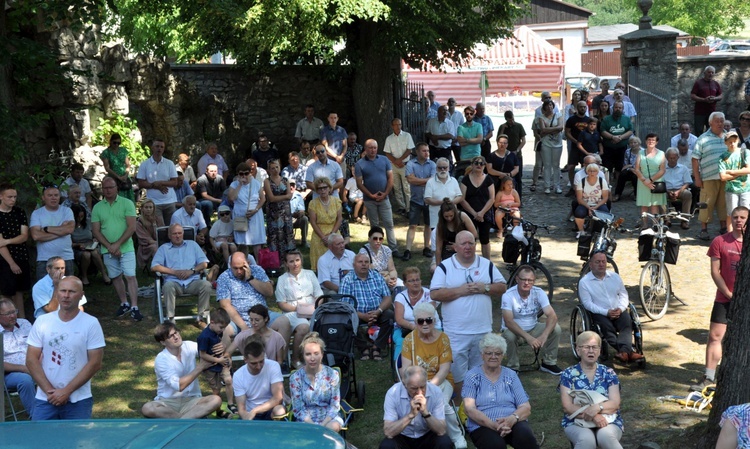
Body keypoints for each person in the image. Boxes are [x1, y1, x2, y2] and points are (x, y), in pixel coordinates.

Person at [431, 230, 506, 402]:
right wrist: (460, 291)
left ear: (475, 245)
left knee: (481, 371)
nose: (467, 247)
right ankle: (461, 409)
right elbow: (435, 294)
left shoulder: (486, 264)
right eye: (463, 243)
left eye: (471, 243)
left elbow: (502, 287)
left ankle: (479, 405)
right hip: (456, 332)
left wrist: (484, 288)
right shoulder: (445, 267)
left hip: (482, 330)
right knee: (458, 374)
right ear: (455, 247)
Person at [26, 276, 105, 420]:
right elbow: (31, 359)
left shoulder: (91, 323)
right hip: (45, 399)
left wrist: (66, 391)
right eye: (63, 291)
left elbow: (95, 363)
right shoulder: (42, 322)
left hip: (79, 399)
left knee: (77, 441)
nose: (66, 295)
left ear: (81, 295)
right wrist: (50, 392)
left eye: (72, 291)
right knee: (39, 441)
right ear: (57, 293)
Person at [691, 206, 748, 391]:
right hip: (724, 297)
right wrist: (729, 294)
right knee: (715, 336)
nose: (739, 220)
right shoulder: (719, 241)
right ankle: (709, 376)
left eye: (743, 217)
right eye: (735, 217)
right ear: (730, 219)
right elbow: (715, 272)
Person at [399, 302, 464, 448]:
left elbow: (444, 370)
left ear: (434, 320)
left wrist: (428, 387)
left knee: (440, 404)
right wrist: (416, 386)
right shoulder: (409, 340)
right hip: (416, 383)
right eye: (420, 321)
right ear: (415, 322)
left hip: (442, 381)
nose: (425, 324)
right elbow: (405, 369)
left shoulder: (443, 339)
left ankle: (456, 436)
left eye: (428, 320)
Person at [462, 333, 540, 449]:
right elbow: (469, 409)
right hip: (483, 425)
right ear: (482, 355)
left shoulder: (511, 375)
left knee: (526, 438)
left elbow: (525, 407)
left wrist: (512, 419)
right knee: (495, 445)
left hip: (512, 422)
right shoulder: (472, 376)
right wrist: (494, 425)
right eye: (489, 353)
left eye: (497, 353)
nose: (493, 356)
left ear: (503, 355)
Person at [141, 322, 222, 419]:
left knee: (216, 400)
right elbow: (179, 386)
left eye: (176, 332)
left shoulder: (188, 346)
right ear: (163, 342)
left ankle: (180, 420)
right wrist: (200, 367)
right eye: (170, 336)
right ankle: (189, 418)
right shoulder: (161, 359)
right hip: (168, 402)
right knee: (148, 408)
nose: (176, 337)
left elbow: (210, 349)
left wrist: (223, 345)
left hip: (192, 400)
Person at [560, 331, 624, 449]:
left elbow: (615, 404)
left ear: (599, 351)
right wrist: (594, 416)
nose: (591, 351)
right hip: (576, 422)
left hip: (608, 421)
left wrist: (597, 408)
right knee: (586, 440)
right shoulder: (568, 374)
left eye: (594, 347)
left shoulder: (609, 373)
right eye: (586, 347)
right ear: (578, 350)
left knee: (606, 436)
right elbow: (568, 407)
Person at [579, 252, 644, 363]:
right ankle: (628, 352)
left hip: (617, 309)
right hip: (599, 312)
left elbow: (624, 294)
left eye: (603, 261)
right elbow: (587, 304)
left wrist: (621, 308)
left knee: (627, 323)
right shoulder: (584, 282)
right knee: (607, 328)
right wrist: (606, 312)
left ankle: (623, 352)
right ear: (590, 264)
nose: (601, 264)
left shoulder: (614, 277)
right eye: (597, 262)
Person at [92, 176, 141, 320]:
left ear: (116, 188)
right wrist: (110, 246)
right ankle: (124, 303)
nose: (107, 190)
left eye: (110, 187)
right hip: (108, 249)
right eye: (105, 188)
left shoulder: (127, 203)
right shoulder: (97, 207)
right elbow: (96, 231)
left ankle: (134, 306)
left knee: (130, 276)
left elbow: (132, 227)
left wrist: (117, 244)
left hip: (126, 248)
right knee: (115, 277)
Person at [501, 265, 562, 374]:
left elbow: (552, 316)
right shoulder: (508, 295)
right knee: (509, 336)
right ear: (517, 279)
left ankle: (548, 363)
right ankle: (513, 367)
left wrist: (544, 335)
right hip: (514, 331)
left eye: (530, 280)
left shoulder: (539, 292)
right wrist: (528, 337)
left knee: (555, 328)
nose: (526, 283)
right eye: (523, 279)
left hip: (533, 327)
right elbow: (508, 322)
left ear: (534, 281)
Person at [151, 223, 212, 324]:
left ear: (183, 234)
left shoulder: (193, 245)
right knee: (168, 286)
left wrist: (191, 271)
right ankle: (170, 318)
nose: (177, 236)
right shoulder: (164, 248)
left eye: (179, 233)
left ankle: (200, 317)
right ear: (169, 235)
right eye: (174, 233)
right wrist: (173, 272)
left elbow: (204, 263)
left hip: (192, 281)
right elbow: (154, 266)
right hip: (174, 282)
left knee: (206, 285)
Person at [380, 365, 452, 449]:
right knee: (387, 446)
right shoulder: (393, 393)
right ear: (404, 384)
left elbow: (441, 430)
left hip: (427, 435)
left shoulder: (436, 392)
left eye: (423, 387)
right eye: (414, 388)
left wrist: (425, 412)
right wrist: (410, 415)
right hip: (402, 435)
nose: (419, 392)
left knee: (445, 442)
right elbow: (388, 432)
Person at [272, 250, 322, 367]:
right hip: (292, 312)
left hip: (313, 309)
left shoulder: (310, 274)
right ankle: (296, 359)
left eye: (297, 260)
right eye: (291, 261)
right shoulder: (282, 279)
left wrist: (313, 308)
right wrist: (299, 309)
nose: (295, 264)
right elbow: (281, 303)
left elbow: (319, 295)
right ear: (286, 264)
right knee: (304, 326)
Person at [339, 253, 393, 361]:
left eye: (366, 262)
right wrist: (362, 316)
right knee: (346, 320)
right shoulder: (347, 279)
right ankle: (363, 348)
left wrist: (378, 311)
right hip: (356, 313)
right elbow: (344, 305)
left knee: (390, 316)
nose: (363, 264)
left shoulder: (376, 276)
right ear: (354, 265)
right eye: (360, 262)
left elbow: (387, 297)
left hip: (377, 312)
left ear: (369, 264)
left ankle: (377, 347)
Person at [289, 332, 343, 431]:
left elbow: (334, 406)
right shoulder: (295, 378)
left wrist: (322, 425)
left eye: (316, 354)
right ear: (303, 356)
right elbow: (298, 409)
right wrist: (313, 425)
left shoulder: (332, 375)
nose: (312, 358)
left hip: (329, 418)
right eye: (308, 354)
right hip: (305, 420)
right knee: (307, 431)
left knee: (332, 428)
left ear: (322, 354)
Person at [356, 139, 399, 254]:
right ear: (365, 149)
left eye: (375, 147)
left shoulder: (384, 160)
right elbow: (359, 183)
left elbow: (390, 178)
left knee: (389, 224)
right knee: (374, 225)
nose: (373, 150)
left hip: (384, 198)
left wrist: (385, 193)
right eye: (370, 148)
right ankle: (376, 249)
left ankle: (393, 249)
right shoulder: (360, 164)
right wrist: (370, 195)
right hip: (370, 200)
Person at [216, 252, 276, 333]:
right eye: (235, 268)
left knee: (284, 322)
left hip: (262, 316)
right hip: (238, 319)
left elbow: (269, 292)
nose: (239, 271)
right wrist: (244, 327)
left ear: (248, 263)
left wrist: (250, 279)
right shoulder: (224, 277)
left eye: (241, 268)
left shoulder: (257, 270)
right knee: (226, 331)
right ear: (230, 265)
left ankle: (278, 346)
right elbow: (225, 305)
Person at [232, 337, 287, 420]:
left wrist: (255, 410)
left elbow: (278, 398)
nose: (258, 366)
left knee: (280, 411)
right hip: (250, 412)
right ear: (245, 360)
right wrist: (246, 417)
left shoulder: (273, 366)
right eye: (253, 363)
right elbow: (241, 408)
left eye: (261, 361)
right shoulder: (238, 375)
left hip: (270, 409)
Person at [694, 112, 729, 240]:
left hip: (726, 177)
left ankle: (724, 228)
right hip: (708, 177)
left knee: (724, 204)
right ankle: (704, 229)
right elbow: (695, 159)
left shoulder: (728, 137)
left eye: (722, 121)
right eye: (717, 121)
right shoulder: (703, 138)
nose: (720, 123)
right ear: (710, 123)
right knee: (706, 203)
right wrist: (697, 177)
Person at [393, 268, 441, 359]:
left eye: (417, 279)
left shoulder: (429, 294)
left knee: (431, 341)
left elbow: (430, 314)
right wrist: (413, 327)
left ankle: (431, 367)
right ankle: (400, 369)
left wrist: (421, 329)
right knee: (401, 342)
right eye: (411, 281)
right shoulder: (400, 296)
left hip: (430, 326)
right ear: (405, 284)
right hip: (405, 328)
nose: (415, 283)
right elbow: (399, 319)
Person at [29, 184, 75, 280]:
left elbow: (70, 229)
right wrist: (62, 230)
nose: (53, 198)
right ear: (43, 198)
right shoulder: (37, 213)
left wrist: (46, 229)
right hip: (44, 259)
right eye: (50, 195)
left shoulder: (67, 211)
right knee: (44, 291)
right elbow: (36, 236)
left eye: (56, 195)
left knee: (67, 290)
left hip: (66, 258)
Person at [197, 308, 236, 417]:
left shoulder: (218, 331)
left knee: (229, 380)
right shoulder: (204, 337)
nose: (222, 330)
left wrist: (224, 352)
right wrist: (218, 360)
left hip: (221, 361)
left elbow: (222, 343)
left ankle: (230, 403)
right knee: (216, 390)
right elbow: (202, 355)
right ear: (212, 322)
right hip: (210, 367)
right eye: (221, 327)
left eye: (224, 327)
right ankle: (219, 411)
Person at [0, 183, 31, 318]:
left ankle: (22, 322)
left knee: (20, 291)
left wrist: (7, 241)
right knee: (6, 292)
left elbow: (24, 236)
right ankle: (6, 322)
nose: (13, 199)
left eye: (15, 197)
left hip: (21, 255)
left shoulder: (19, 212)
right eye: (9, 197)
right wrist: (11, 263)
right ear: (1, 197)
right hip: (4, 259)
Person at [1, 298, 36, 418]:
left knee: (57, 368)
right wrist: (23, 368)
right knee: (24, 380)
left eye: (14, 311)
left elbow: (38, 345)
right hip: (8, 374)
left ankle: (62, 408)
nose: (12, 316)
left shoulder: (24, 323)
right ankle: (37, 417)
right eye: (8, 314)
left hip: (35, 365)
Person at [403, 142, 436, 260]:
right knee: (412, 225)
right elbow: (410, 180)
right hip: (415, 199)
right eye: (424, 151)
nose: (427, 153)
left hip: (429, 200)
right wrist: (426, 181)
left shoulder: (432, 164)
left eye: (427, 150)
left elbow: (433, 181)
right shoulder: (411, 164)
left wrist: (417, 180)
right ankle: (408, 250)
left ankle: (426, 247)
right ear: (417, 152)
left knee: (428, 225)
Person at [227, 162, 266, 260]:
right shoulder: (234, 184)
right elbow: (231, 198)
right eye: (241, 174)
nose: (244, 176)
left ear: (250, 173)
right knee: (242, 242)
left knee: (256, 242)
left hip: (255, 214)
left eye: (246, 173)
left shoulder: (256, 184)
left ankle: (258, 265)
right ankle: (241, 263)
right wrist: (240, 185)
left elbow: (263, 199)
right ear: (237, 174)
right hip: (240, 215)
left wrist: (255, 210)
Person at [459, 156, 495, 259]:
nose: (479, 165)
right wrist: (475, 213)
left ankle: (487, 263)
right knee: (470, 239)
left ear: (484, 166)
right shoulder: (465, 179)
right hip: (469, 213)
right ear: (472, 164)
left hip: (485, 213)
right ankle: (470, 260)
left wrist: (482, 213)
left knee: (485, 239)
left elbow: (492, 198)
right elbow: (462, 199)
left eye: (481, 163)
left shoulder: (488, 179)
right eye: (476, 163)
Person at [136, 138, 179, 224]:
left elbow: (175, 182)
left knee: (172, 227)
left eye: (162, 147)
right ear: (152, 148)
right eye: (157, 146)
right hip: (153, 202)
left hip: (169, 201)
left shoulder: (169, 163)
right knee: (160, 229)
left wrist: (160, 183)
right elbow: (141, 183)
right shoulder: (145, 164)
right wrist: (154, 185)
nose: (159, 149)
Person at [308, 176, 343, 271]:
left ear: (329, 188)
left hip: (334, 231)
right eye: (320, 188)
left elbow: (339, 219)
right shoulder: (313, 203)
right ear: (317, 190)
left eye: (325, 187)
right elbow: (313, 222)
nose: (323, 190)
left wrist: (332, 235)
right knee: (321, 264)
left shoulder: (336, 201)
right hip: (319, 233)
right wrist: (323, 237)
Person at [263, 158, 295, 258]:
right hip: (273, 213)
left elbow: (290, 196)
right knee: (274, 235)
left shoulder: (285, 181)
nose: (275, 170)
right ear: (268, 170)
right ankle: (275, 259)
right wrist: (284, 196)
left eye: (277, 167)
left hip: (285, 212)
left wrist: (281, 197)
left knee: (287, 233)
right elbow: (271, 198)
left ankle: (288, 258)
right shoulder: (267, 181)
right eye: (272, 168)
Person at [719, 131, 750, 233]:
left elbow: (748, 169)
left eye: (734, 141)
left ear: (738, 141)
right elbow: (723, 177)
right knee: (731, 213)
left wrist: (732, 172)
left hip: (745, 188)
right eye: (730, 142)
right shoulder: (723, 157)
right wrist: (741, 172)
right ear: (725, 143)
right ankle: (730, 234)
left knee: (745, 213)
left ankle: (745, 235)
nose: (732, 144)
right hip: (731, 189)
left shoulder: (745, 152)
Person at [70, 204, 108, 286]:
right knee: (86, 254)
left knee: (94, 252)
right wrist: (78, 244)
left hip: (91, 245)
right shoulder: (69, 226)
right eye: (78, 217)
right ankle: (84, 276)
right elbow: (68, 243)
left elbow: (96, 234)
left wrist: (95, 239)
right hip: (78, 248)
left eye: (82, 216)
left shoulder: (88, 223)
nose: (80, 219)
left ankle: (104, 273)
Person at [384, 118, 416, 216]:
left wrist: (400, 160)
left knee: (407, 187)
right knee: (396, 187)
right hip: (393, 166)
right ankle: (401, 206)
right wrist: (395, 161)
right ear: (392, 126)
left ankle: (409, 208)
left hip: (405, 164)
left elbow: (409, 150)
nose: (398, 126)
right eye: (396, 124)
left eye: (400, 124)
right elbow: (387, 152)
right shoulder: (389, 138)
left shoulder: (407, 136)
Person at [358, 226, 403, 294]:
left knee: (401, 286)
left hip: (387, 278)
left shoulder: (386, 250)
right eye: (375, 239)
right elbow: (370, 274)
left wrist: (392, 279)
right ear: (369, 239)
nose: (378, 241)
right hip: (371, 282)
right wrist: (386, 278)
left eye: (380, 239)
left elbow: (392, 269)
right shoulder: (364, 252)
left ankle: (400, 303)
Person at [635, 133, 667, 229]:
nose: (651, 142)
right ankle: (644, 224)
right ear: (645, 141)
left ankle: (655, 224)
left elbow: (662, 170)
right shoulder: (640, 153)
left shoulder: (661, 154)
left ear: (656, 142)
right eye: (649, 140)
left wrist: (650, 180)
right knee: (644, 205)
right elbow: (637, 169)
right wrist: (645, 180)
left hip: (656, 181)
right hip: (643, 181)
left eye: (653, 140)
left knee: (655, 204)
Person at [435, 199, 478, 267]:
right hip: (448, 250)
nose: (449, 218)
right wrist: (438, 267)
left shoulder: (462, 216)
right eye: (446, 216)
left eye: (451, 216)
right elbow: (438, 248)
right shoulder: (441, 225)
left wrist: (458, 246)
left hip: (464, 247)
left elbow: (474, 234)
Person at [424, 157, 463, 230]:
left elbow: (460, 196)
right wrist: (442, 203)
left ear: (449, 168)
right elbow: (427, 199)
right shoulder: (430, 182)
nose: (442, 170)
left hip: (452, 219)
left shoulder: (454, 180)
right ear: (436, 168)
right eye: (440, 168)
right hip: (436, 220)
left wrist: (450, 203)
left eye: (445, 167)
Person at [601, 101, 634, 182]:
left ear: (623, 109)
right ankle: (607, 185)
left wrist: (620, 138)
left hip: (622, 148)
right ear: (612, 108)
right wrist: (612, 137)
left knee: (619, 167)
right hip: (608, 148)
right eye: (616, 107)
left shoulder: (626, 118)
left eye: (620, 108)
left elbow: (630, 130)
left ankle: (617, 185)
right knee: (607, 167)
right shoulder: (606, 119)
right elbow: (602, 131)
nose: (618, 109)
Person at [574, 164, 610, 238]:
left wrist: (596, 207)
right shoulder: (582, 181)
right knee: (579, 213)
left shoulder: (602, 181)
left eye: (594, 171)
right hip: (585, 203)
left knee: (604, 212)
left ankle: (599, 231)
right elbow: (579, 198)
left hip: (598, 203)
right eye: (590, 171)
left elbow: (605, 197)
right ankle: (581, 230)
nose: (592, 173)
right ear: (587, 172)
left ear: (597, 172)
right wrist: (589, 207)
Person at [565, 101, 593, 196]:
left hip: (585, 147)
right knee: (571, 166)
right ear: (577, 108)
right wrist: (575, 141)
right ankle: (573, 187)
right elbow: (567, 132)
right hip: (574, 146)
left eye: (584, 107)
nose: (583, 109)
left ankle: (584, 187)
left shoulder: (589, 120)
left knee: (585, 167)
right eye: (581, 107)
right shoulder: (571, 119)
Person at [538, 99, 565, 194]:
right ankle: (547, 186)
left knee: (556, 165)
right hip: (546, 144)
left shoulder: (558, 115)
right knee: (547, 165)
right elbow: (542, 130)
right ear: (544, 107)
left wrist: (548, 129)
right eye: (547, 105)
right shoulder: (541, 117)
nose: (549, 107)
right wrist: (554, 129)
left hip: (557, 144)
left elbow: (561, 127)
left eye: (551, 105)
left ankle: (557, 185)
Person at [498, 110, 526, 198]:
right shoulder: (502, 127)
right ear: (506, 119)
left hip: (516, 155)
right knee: (506, 177)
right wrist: (503, 128)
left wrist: (517, 150)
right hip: (506, 156)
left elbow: (523, 140)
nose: (511, 121)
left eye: (512, 118)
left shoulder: (519, 126)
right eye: (509, 119)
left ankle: (519, 197)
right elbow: (498, 139)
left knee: (518, 178)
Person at [100, 133, 135, 202]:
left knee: (128, 199)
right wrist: (118, 177)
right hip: (113, 178)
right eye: (114, 142)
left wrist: (126, 175)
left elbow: (128, 165)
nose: (116, 145)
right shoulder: (106, 152)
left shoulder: (123, 151)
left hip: (124, 177)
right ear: (111, 141)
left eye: (118, 143)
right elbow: (107, 168)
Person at [664, 147, 694, 225]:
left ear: (678, 157)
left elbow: (687, 183)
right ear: (667, 158)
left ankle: (684, 220)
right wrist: (668, 191)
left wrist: (678, 191)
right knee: (660, 195)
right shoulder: (662, 169)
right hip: (666, 190)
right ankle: (666, 219)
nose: (672, 160)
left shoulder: (683, 168)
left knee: (688, 194)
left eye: (674, 158)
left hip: (680, 189)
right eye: (670, 158)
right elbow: (661, 183)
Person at [690, 65, 722, 134]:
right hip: (700, 112)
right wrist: (704, 100)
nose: (710, 74)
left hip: (711, 112)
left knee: (711, 130)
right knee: (699, 131)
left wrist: (715, 98)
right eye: (709, 72)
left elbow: (720, 95)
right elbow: (692, 95)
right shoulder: (698, 83)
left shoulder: (716, 84)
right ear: (704, 73)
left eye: (712, 72)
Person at [135, 198, 164, 268]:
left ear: (154, 208)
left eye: (150, 207)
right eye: (146, 207)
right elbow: (146, 239)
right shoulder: (138, 223)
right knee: (156, 248)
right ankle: (158, 269)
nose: (148, 209)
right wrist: (158, 243)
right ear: (142, 209)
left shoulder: (158, 219)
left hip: (159, 242)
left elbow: (163, 233)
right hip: (146, 246)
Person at [456, 106, 484, 175]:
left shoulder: (478, 126)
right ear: (465, 115)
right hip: (464, 157)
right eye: (467, 114)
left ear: (474, 115)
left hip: (476, 156)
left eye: (471, 114)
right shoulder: (461, 127)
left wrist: (466, 140)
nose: (469, 115)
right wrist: (474, 140)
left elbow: (480, 140)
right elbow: (460, 142)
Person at [320, 112, 348, 177]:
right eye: (331, 118)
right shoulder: (324, 131)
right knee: (331, 179)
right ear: (328, 119)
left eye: (335, 118)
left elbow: (345, 145)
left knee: (342, 179)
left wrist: (341, 156)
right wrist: (336, 157)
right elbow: (325, 146)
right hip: (330, 159)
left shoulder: (342, 130)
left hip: (341, 159)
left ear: (337, 119)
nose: (333, 120)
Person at [612, 136, 641, 202]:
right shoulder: (628, 152)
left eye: (635, 142)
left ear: (639, 143)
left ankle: (637, 195)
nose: (633, 144)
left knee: (635, 176)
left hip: (640, 171)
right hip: (630, 170)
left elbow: (643, 164)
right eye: (631, 143)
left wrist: (632, 166)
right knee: (622, 174)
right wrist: (631, 168)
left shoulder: (643, 152)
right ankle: (617, 194)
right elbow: (625, 165)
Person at [288, 180, 309, 246]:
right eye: (289, 185)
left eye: (293, 186)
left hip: (295, 219)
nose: (291, 187)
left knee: (304, 219)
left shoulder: (298, 196)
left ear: (295, 187)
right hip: (285, 219)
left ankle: (304, 241)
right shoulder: (282, 195)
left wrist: (300, 213)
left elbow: (302, 210)